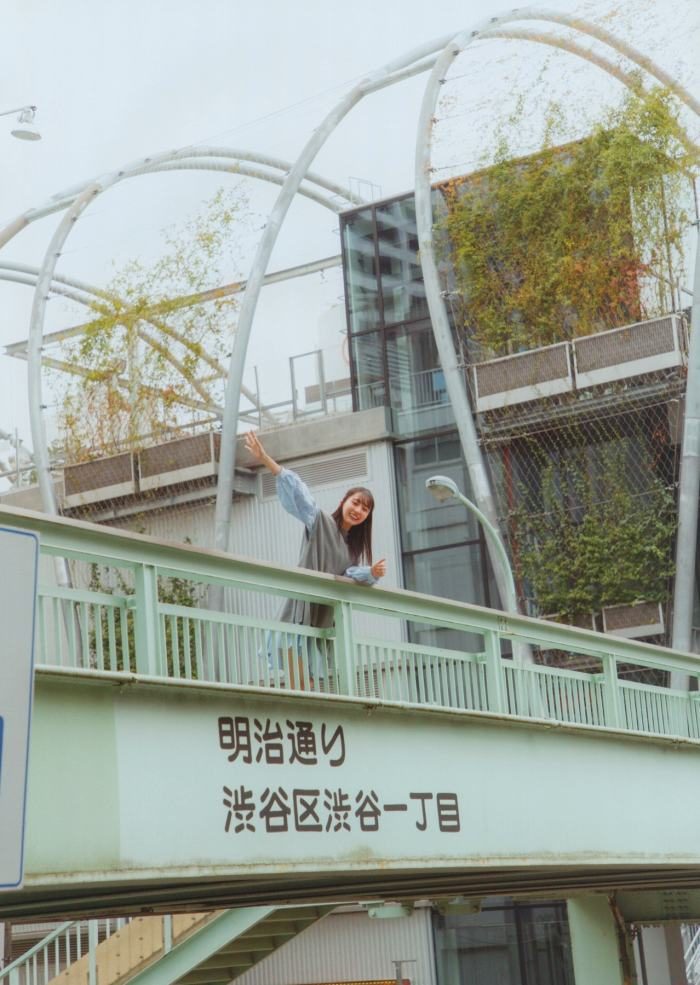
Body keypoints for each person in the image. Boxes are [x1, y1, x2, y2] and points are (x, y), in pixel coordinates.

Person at [243, 431, 386, 687]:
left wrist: (372, 573)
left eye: (365, 509)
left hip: (321, 616)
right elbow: (299, 496)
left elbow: (351, 575)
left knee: (308, 681)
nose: (358, 510)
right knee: (301, 676)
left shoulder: (351, 551)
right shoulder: (320, 522)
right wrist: (265, 459)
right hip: (301, 608)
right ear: (344, 501)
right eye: (356, 503)